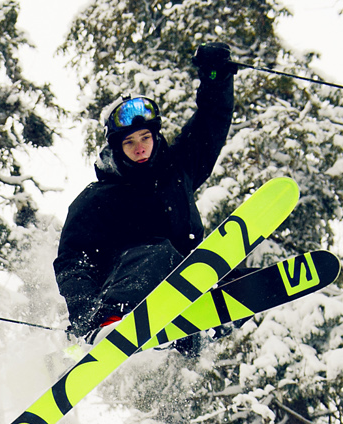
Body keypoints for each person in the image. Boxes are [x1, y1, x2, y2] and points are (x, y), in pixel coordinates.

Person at [55, 43, 241, 343]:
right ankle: (118, 325)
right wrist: (85, 317)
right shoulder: (96, 199)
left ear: (156, 137)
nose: (140, 147)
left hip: (181, 290)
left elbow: (210, 124)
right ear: (117, 150)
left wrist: (216, 77)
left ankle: (197, 327)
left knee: (221, 266)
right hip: (119, 297)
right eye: (129, 142)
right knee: (158, 254)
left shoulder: (177, 171)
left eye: (145, 138)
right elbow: (73, 261)